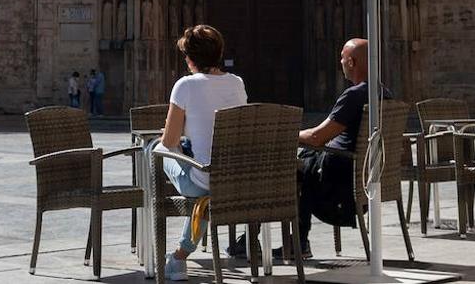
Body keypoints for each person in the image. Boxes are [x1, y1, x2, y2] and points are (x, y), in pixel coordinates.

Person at [233, 37, 373, 261]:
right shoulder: (382, 93)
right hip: (358, 176)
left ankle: (265, 240)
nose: (340, 63)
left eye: (342, 58)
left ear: (352, 63)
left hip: (336, 180)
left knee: (278, 170)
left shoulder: (354, 95)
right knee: (300, 162)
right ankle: (296, 241)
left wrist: (285, 134)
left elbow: (318, 137)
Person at [159, 25, 247, 282]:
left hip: (200, 182)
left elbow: (170, 140)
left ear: (191, 58)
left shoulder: (185, 85)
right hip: (230, 179)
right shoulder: (237, 83)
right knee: (207, 182)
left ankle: (149, 237)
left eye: (186, 54)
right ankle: (180, 256)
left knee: (154, 148)